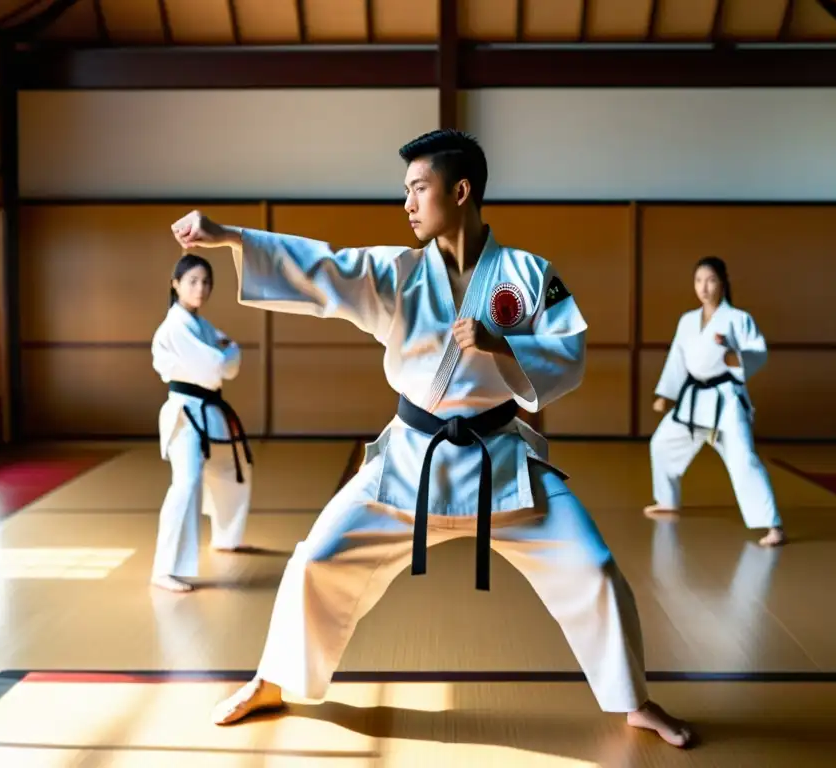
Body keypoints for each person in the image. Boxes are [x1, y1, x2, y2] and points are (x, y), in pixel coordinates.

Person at [170, 129, 693, 748]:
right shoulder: (398, 271)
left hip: (502, 461)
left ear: (461, 190)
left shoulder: (528, 274)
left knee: (595, 568)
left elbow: (568, 352)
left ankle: (634, 699)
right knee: (316, 558)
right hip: (410, 460)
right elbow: (324, 268)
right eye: (406, 191)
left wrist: (505, 346)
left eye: (419, 188)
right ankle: (274, 679)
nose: (408, 204)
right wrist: (231, 236)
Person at [644, 256, 786, 548]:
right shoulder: (687, 321)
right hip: (694, 400)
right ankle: (667, 500)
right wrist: (665, 395)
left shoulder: (738, 319)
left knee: (743, 458)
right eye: (698, 281)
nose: (704, 287)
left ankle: (773, 526)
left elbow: (756, 354)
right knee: (661, 444)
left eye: (710, 280)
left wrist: (732, 353)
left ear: (723, 283)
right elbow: (676, 360)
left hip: (726, 401)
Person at [150, 253, 254, 593]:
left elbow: (232, 361)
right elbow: (214, 368)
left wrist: (226, 354)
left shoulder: (202, 325)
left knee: (232, 473)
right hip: (186, 411)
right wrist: (224, 354)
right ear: (175, 284)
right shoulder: (174, 326)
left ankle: (226, 537)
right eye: (193, 281)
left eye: (206, 282)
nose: (201, 288)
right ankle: (165, 568)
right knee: (187, 482)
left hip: (210, 410)